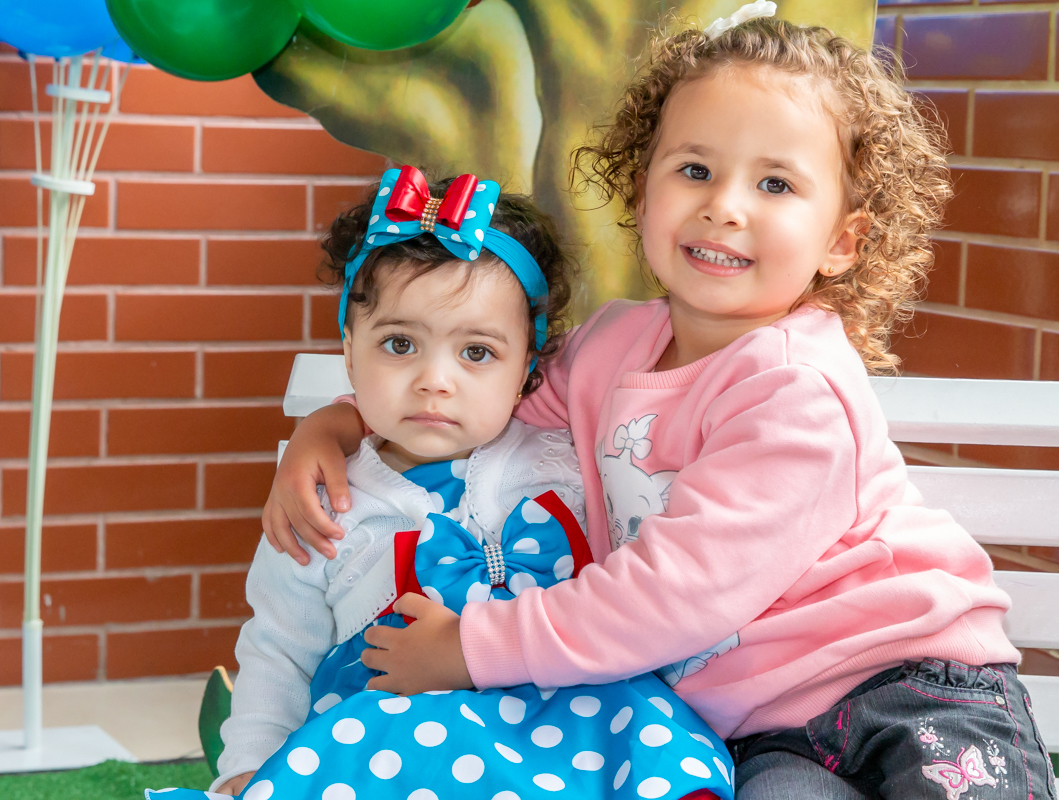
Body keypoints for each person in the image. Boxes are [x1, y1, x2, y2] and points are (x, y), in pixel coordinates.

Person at [264, 6, 1057, 799]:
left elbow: (674, 594)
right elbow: (482, 396)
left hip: (903, 685)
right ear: (641, 190)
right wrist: (332, 427)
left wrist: (473, 647)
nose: (725, 206)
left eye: (775, 183)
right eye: (694, 170)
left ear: (843, 240)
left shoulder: (795, 389)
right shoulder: (610, 347)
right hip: (759, 732)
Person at [147, 167, 733, 800]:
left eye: (476, 353)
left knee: (659, 752)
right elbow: (279, 651)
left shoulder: (568, 453)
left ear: (527, 368)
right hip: (395, 740)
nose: (434, 380)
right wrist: (250, 764)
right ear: (349, 350)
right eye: (399, 344)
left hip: (587, 715)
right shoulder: (324, 506)